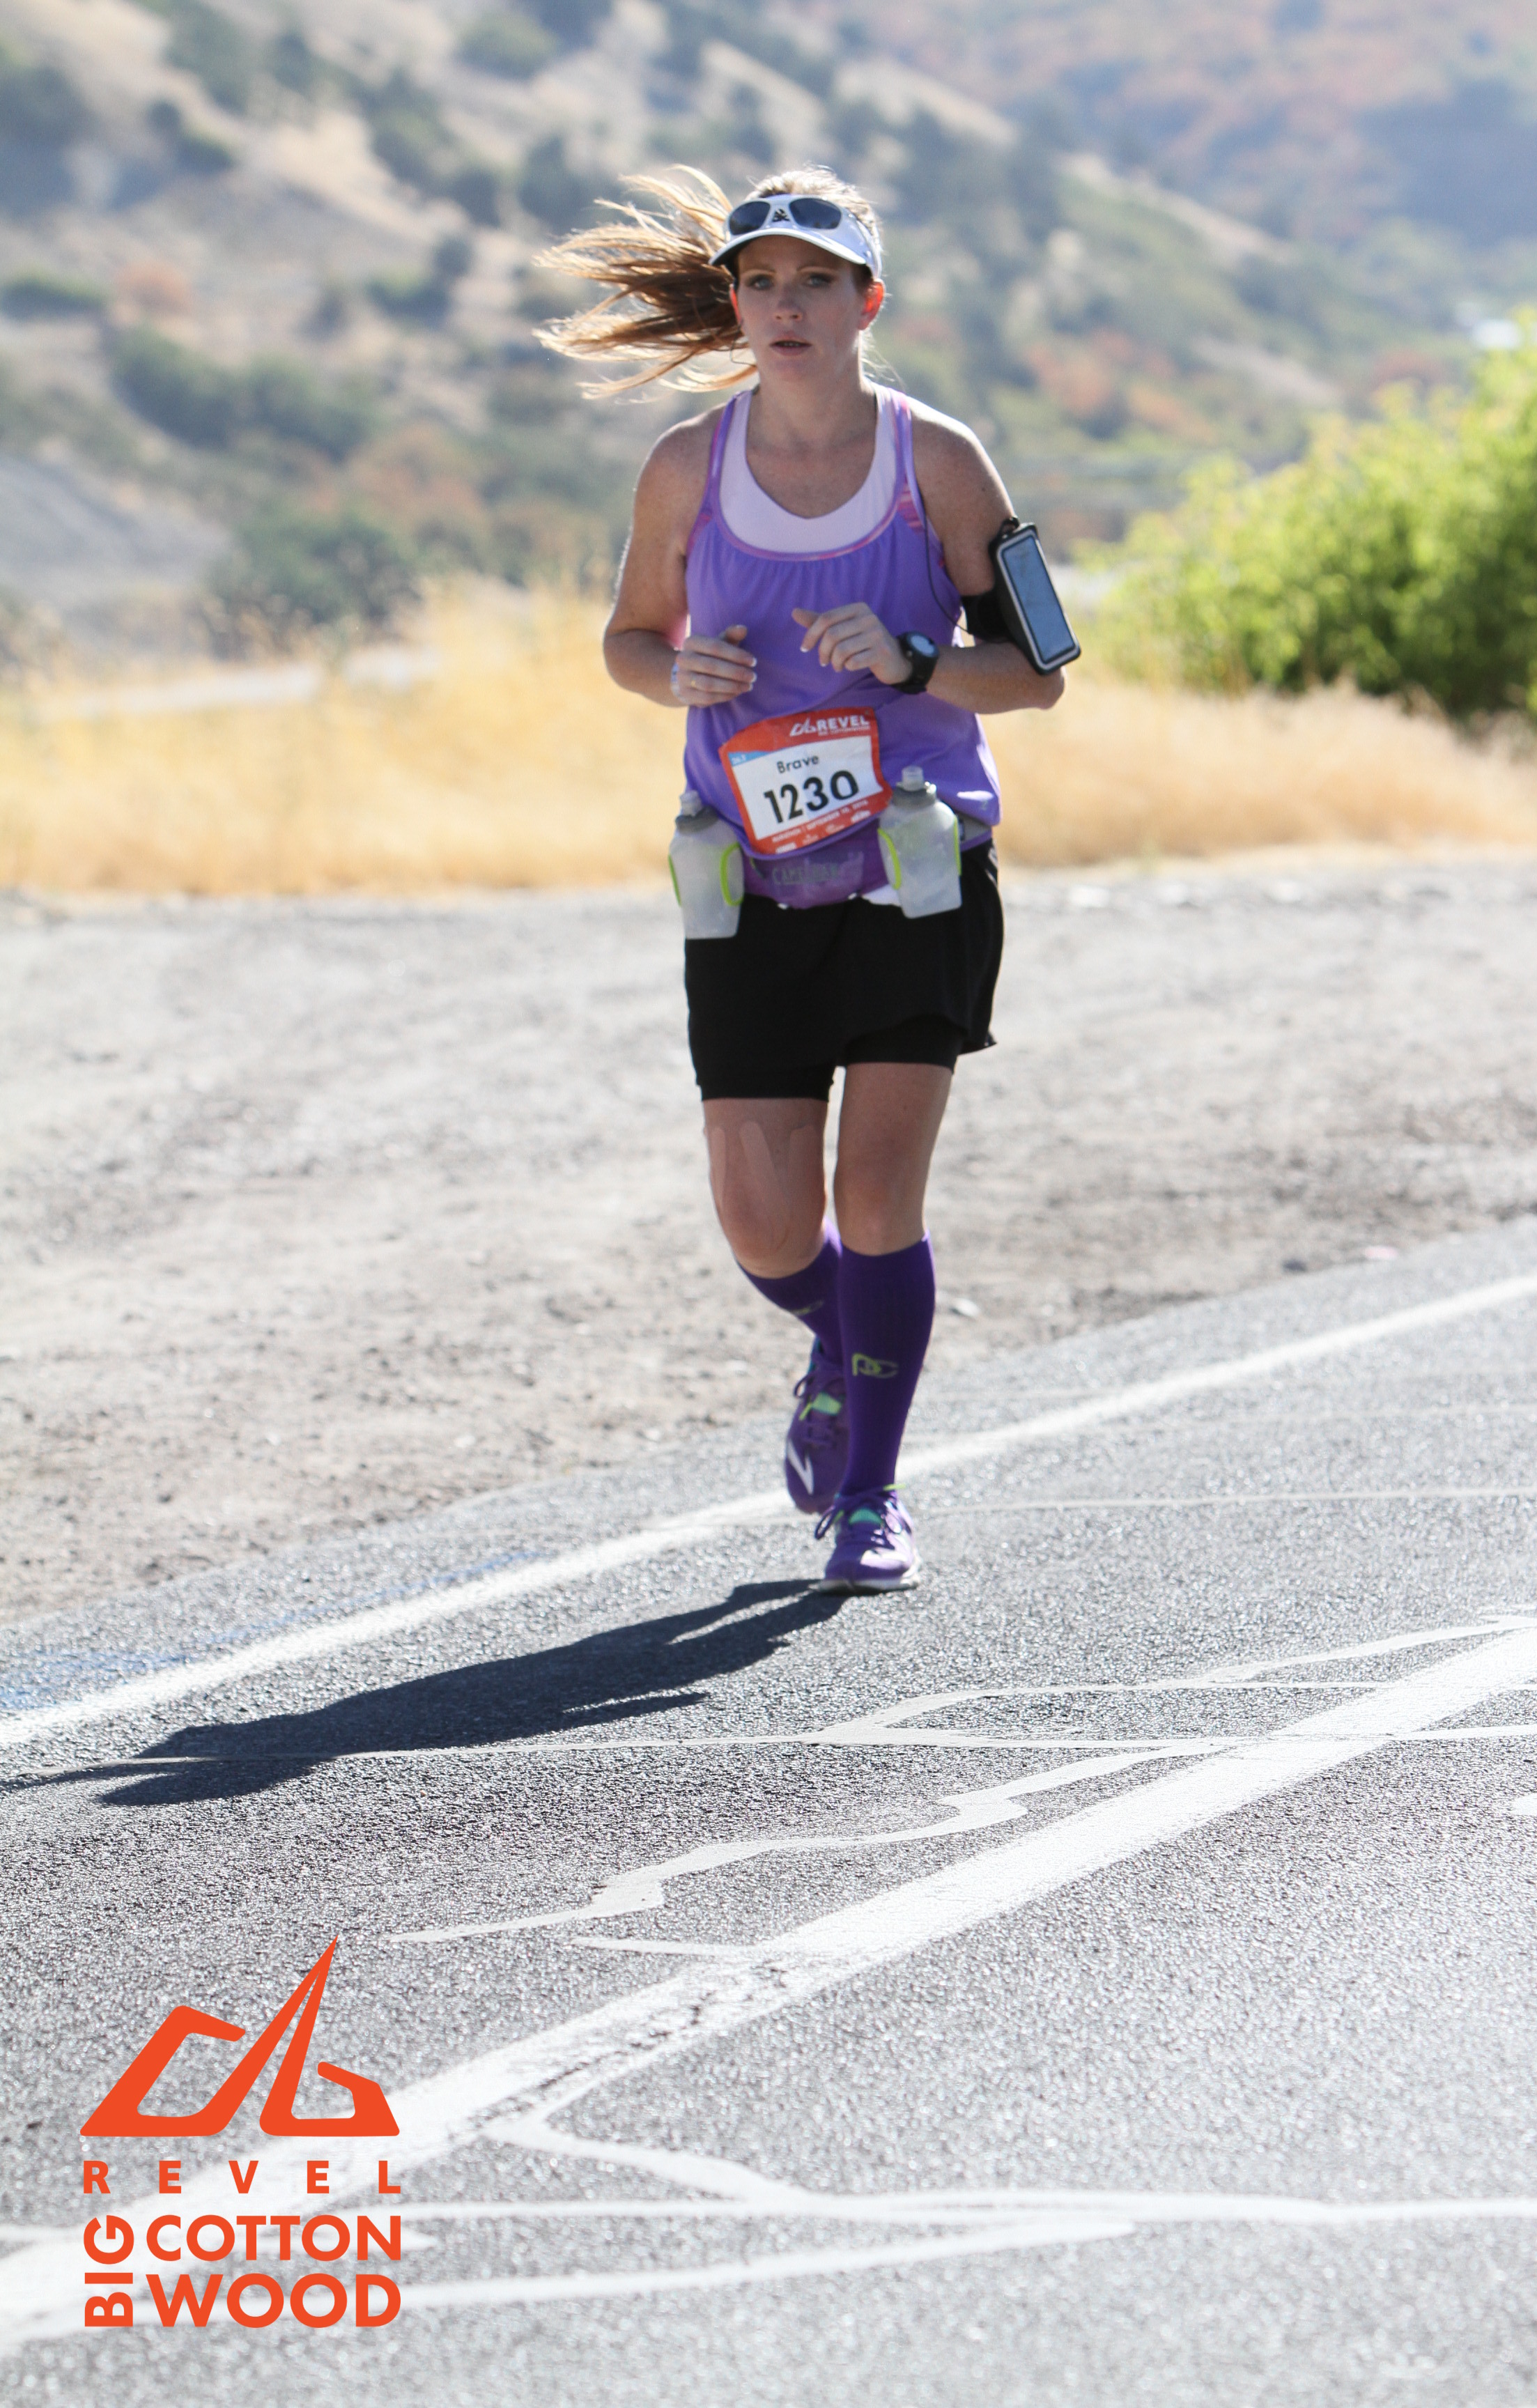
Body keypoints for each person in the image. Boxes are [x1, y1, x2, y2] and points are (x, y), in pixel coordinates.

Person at [543, 167, 1067, 1591]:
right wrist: (674, 675)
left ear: (865, 302)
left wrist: (913, 661)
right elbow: (629, 639)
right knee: (765, 1223)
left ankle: (871, 1497)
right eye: (762, 283)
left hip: (915, 869)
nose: (787, 307)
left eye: (816, 283)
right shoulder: (685, 469)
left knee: (877, 1196)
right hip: (750, 882)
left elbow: (1039, 673)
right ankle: (845, 1341)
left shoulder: (940, 464)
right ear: (735, 306)